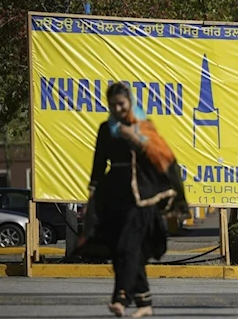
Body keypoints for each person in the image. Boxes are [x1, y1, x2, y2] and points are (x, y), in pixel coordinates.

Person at [75, 82, 189, 318]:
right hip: (114, 196)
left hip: (142, 198)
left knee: (129, 247)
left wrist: (136, 139)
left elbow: (165, 159)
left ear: (130, 103)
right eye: (113, 105)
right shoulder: (106, 128)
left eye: (122, 104)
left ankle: (120, 298)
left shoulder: (143, 126)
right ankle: (144, 303)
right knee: (121, 250)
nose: (118, 109)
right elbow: (98, 164)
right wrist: (92, 195)